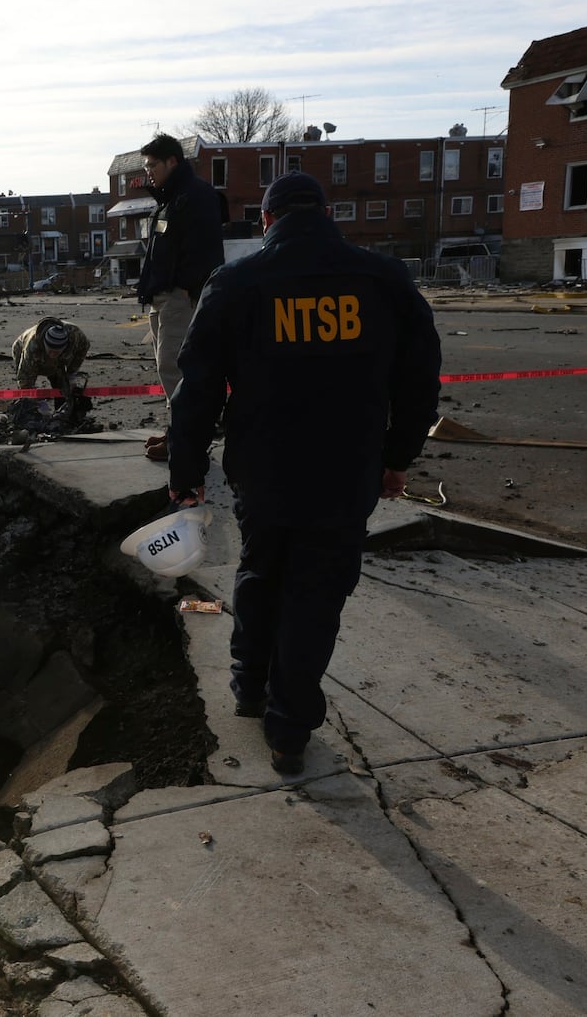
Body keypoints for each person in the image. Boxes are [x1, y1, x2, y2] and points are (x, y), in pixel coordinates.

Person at [165, 172, 442, 775]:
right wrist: (398, 457)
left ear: (266, 221)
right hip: (348, 469)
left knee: (262, 567)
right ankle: (288, 731)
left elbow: (197, 390)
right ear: (326, 213)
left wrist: (186, 473)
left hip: (264, 468)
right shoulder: (384, 278)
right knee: (316, 591)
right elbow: (419, 382)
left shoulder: (238, 281)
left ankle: (249, 687)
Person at [135, 133, 225, 461]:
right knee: (168, 371)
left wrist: (189, 289)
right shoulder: (169, 200)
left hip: (180, 297)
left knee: (175, 369)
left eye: (153, 165)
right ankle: (177, 432)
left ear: (173, 161)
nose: (149, 171)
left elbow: (204, 248)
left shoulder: (195, 196)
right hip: (163, 297)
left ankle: (186, 442)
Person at [10, 318, 90, 414]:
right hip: (22, 349)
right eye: (51, 350)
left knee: (62, 384)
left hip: (60, 360)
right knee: (28, 395)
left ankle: (62, 412)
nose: (52, 354)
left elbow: (83, 348)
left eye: (56, 352)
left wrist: (71, 373)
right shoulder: (32, 347)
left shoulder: (75, 335)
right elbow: (25, 378)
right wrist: (35, 400)